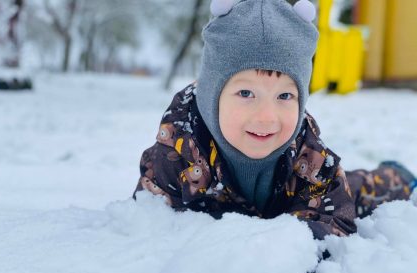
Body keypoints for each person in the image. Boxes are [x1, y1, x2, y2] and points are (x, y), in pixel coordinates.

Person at [133, 0, 416, 239]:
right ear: (211, 96)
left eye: (284, 97)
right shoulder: (177, 150)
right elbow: (149, 216)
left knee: (356, 188)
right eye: (246, 93)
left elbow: (335, 222)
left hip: (298, 200)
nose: (267, 116)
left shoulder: (308, 153)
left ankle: (396, 176)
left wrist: (292, 250)